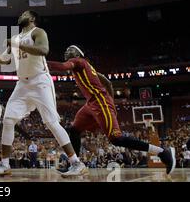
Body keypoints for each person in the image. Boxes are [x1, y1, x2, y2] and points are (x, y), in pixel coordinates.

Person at [0, 11, 85, 178]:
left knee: (51, 123)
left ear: (31, 18)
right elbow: (5, 60)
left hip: (40, 81)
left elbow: (43, 49)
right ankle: (4, 165)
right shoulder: (15, 38)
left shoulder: (38, 32)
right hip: (22, 84)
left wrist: (17, 45)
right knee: (8, 120)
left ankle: (77, 163)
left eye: (25, 13)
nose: (20, 15)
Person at [48, 45, 177, 175]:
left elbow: (63, 67)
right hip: (91, 104)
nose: (66, 52)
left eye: (70, 50)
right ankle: (75, 164)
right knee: (74, 130)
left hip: (100, 101)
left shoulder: (79, 61)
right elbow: (108, 82)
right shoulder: (86, 68)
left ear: (78, 54)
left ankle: (162, 152)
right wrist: (111, 100)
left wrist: (42, 62)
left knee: (116, 139)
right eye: (65, 50)